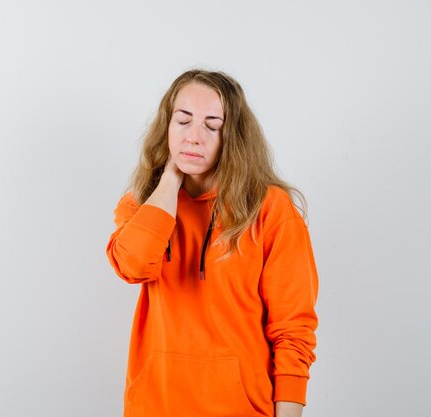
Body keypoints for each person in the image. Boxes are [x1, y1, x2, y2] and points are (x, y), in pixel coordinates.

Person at [105, 69, 319, 417]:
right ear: (166, 127)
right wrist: (170, 180)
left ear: (232, 136)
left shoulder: (268, 208)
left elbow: (293, 328)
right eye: (183, 121)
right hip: (153, 406)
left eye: (212, 125)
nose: (194, 137)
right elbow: (133, 265)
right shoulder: (143, 203)